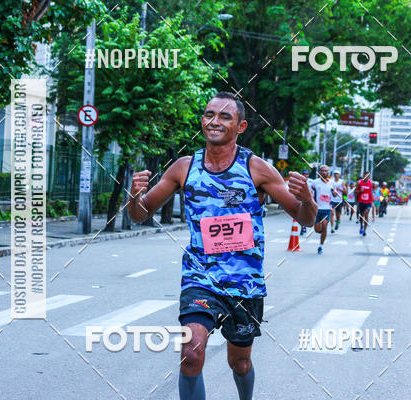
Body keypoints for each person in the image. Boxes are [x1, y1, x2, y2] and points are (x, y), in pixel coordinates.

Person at [128, 92, 317, 400]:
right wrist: (134, 196)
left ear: (241, 127)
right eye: (209, 114)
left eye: (224, 116)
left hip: (244, 284)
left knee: (239, 362)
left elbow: (304, 218)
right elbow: (140, 214)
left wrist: (307, 199)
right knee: (191, 353)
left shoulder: (257, 169)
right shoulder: (184, 167)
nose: (214, 121)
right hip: (200, 279)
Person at [310, 165, 339, 254]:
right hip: (316, 209)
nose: (324, 172)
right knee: (317, 230)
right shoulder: (315, 183)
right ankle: (322, 232)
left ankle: (320, 246)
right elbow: (310, 193)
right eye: (322, 171)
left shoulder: (332, 183)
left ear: (328, 173)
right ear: (319, 172)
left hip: (327, 209)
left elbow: (335, 194)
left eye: (326, 171)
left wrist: (334, 193)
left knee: (325, 225)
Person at [300, 169, 313, 235]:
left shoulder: (311, 182)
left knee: (308, 213)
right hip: (301, 199)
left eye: (306, 174)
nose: (305, 175)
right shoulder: (299, 181)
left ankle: (305, 224)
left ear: (308, 175)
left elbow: (314, 190)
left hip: (309, 200)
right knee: (302, 213)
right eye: (304, 174)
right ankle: (303, 227)